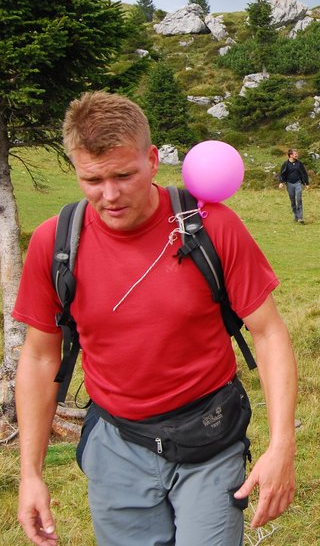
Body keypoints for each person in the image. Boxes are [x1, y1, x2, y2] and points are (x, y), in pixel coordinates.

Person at [13, 92, 298, 546]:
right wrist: (31, 473)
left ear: (152, 159)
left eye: (124, 175)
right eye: (92, 179)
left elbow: (268, 333)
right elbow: (41, 358)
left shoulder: (213, 226)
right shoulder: (57, 243)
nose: (110, 195)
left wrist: (282, 443)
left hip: (208, 434)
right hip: (115, 446)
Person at [278, 149, 309, 223]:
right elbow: (282, 174)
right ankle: (296, 216)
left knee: (299, 199)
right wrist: (281, 182)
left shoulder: (299, 163)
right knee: (292, 201)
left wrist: (306, 183)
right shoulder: (285, 164)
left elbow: (304, 173)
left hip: (298, 183)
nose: (296, 155)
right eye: (295, 154)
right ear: (290, 155)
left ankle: (300, 218)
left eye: (297, 153)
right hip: (289, 184)